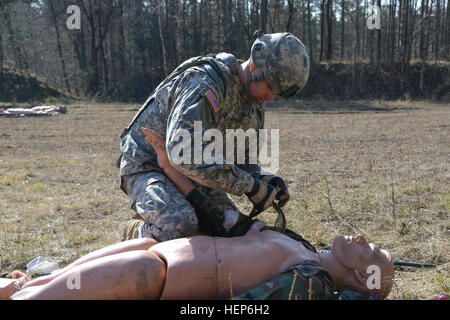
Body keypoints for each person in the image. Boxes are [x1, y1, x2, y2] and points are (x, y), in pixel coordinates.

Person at [118, 31, 310, 241]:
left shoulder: (254, 105)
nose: (272, 98)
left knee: (231, 229)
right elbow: (183, 152)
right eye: (271, 87)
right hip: (149, 165)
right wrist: (250, 186)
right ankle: (136, 231)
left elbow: (241, 161)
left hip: (194, 174)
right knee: (179, 224)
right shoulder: (206, 83)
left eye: (278, 93)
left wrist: (265, 180)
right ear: (254, 67)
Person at [2, 232, 394, 300]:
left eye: (372, 250)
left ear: (364, 274)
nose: (363, 238)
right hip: (156, 253)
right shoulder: (304, 250)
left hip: (153, 277)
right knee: (22, 287)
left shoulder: (311, 282)